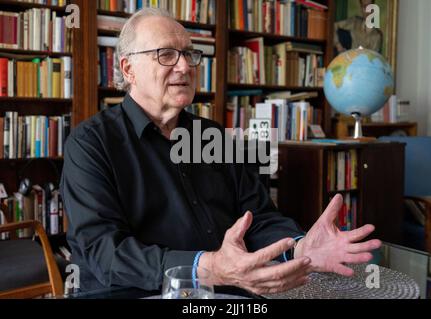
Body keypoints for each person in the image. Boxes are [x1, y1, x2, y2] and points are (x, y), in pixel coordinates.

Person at [61, 8, 381, 295]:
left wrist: (299, 246)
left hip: (224, 289)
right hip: (130, 292)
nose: (185, 66)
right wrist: (210, 267)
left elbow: (258, 217)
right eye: (167, 55)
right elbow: (103, 251)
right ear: (128, 69)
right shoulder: (91, 144)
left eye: (189, 53)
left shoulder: (213, 136)